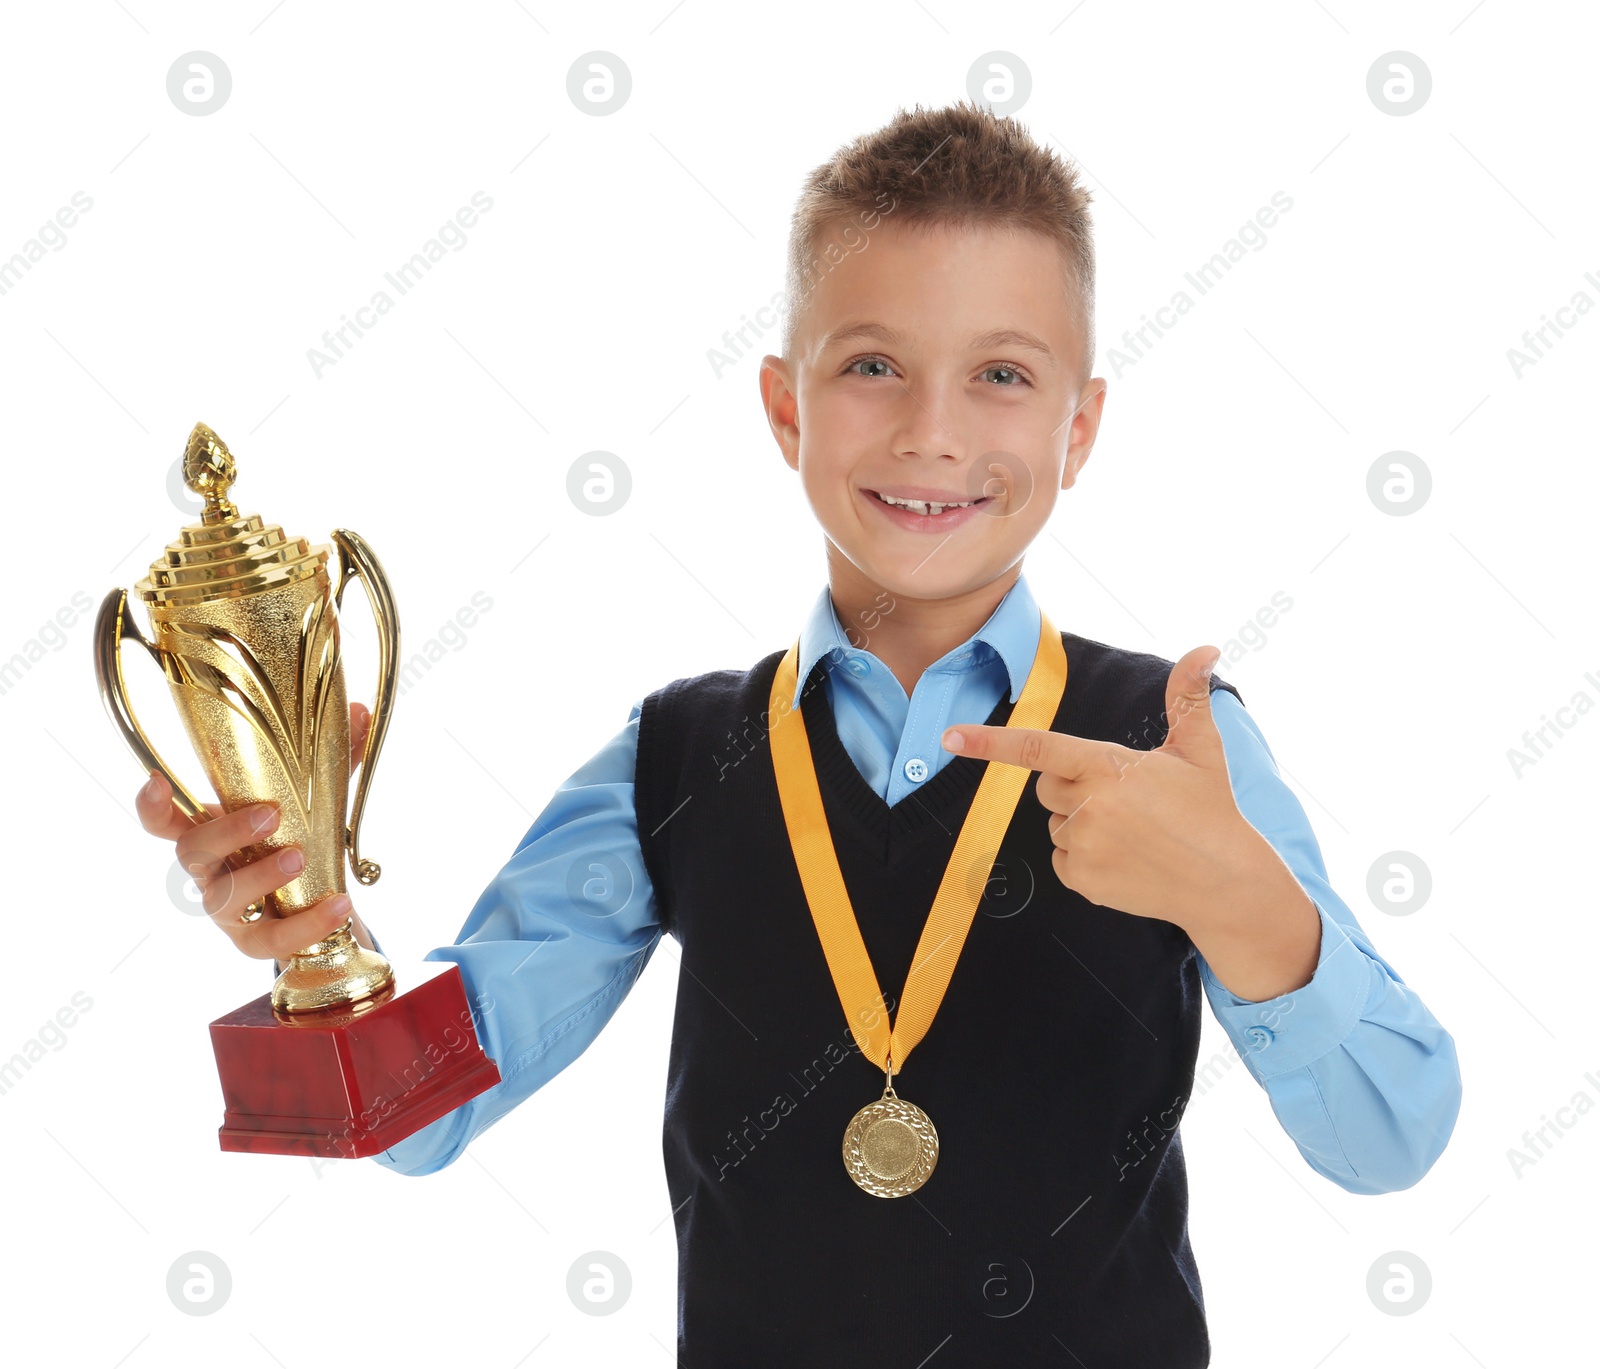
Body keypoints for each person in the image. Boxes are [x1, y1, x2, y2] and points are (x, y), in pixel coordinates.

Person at [133, 101, 1461, 1365]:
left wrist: (1246, 906)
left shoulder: (1176, 747)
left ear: (1081, 426)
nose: (934, 431)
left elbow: (1393, 1140)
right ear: (785, 408)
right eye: (873, 364)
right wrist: (320, 941)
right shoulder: (673, 756)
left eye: (1002, 373)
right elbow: (424, 1119)